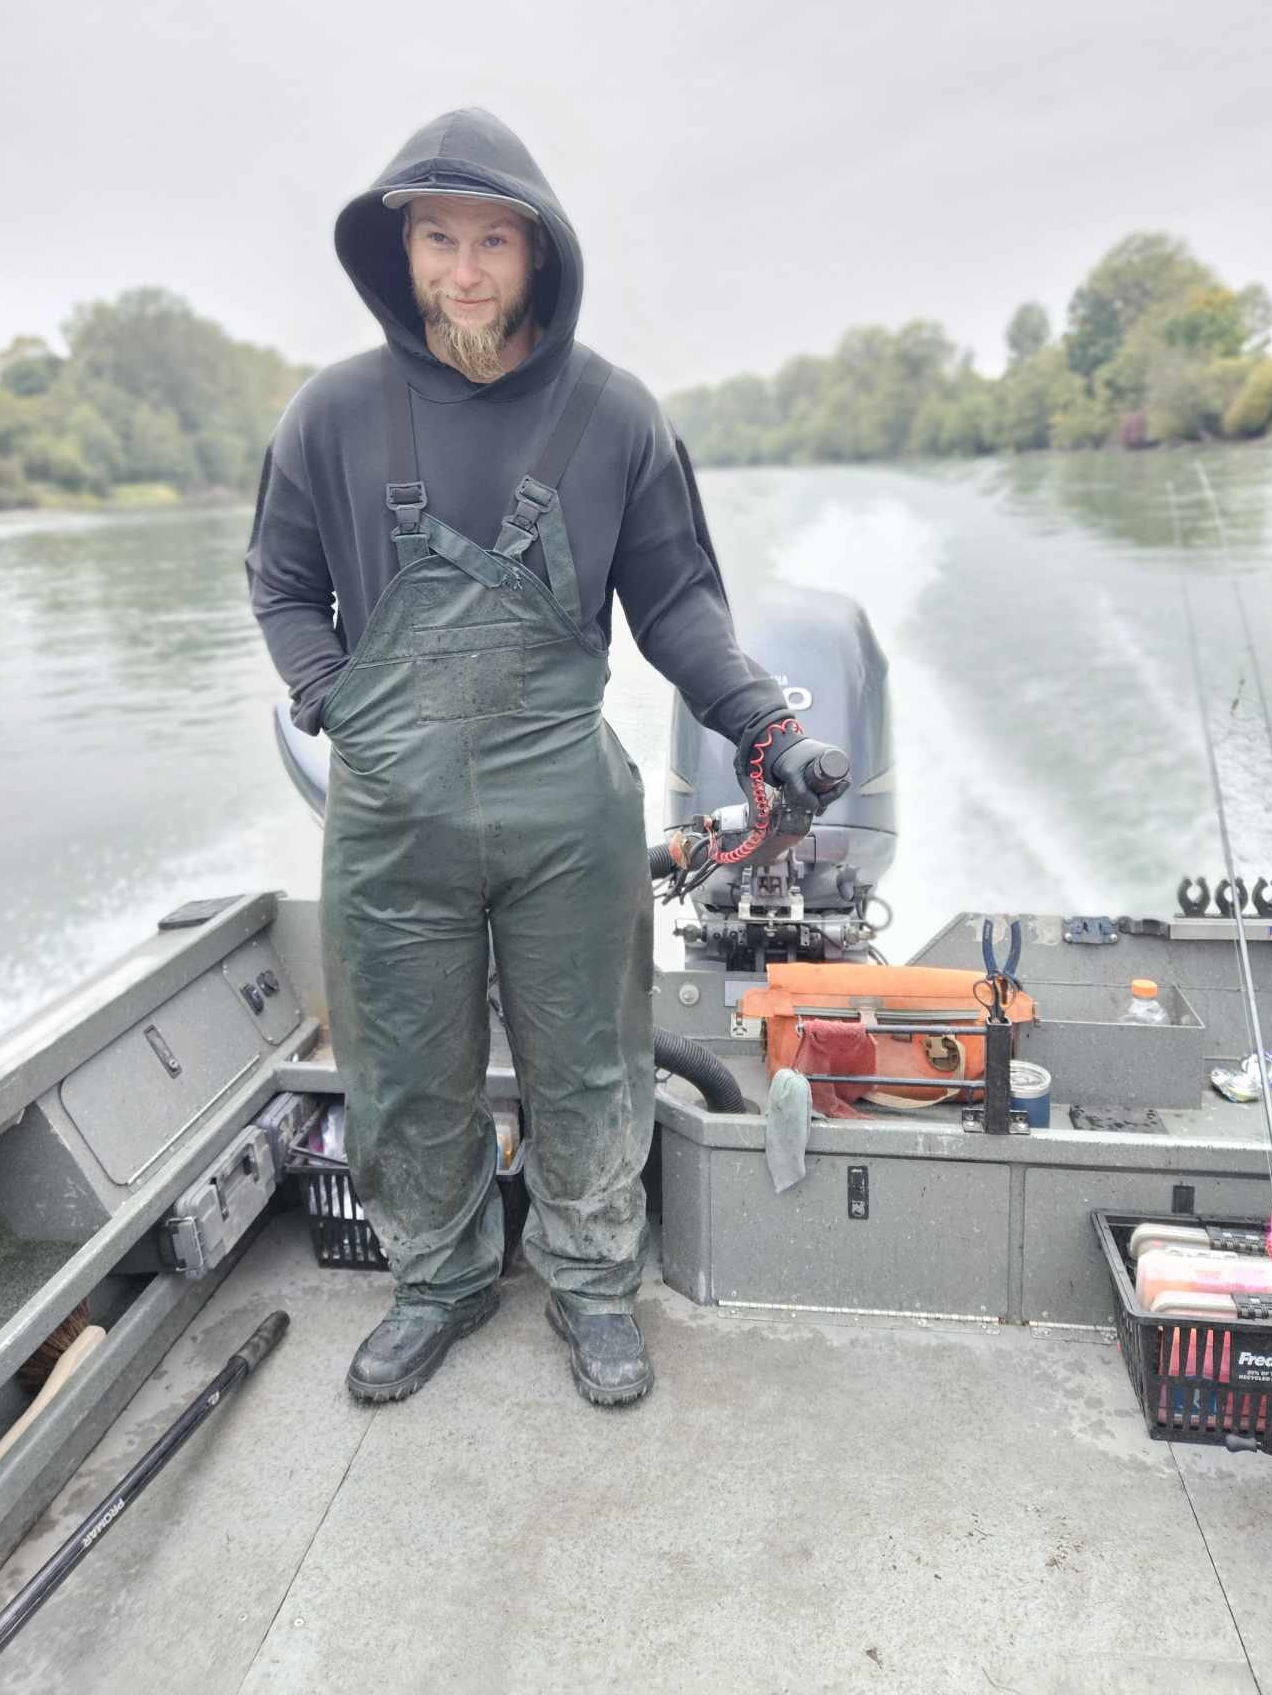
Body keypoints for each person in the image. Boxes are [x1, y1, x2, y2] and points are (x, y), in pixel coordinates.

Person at [246, 107, 847, 1408]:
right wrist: (330, 697)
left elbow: (680, 606)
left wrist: (769, 726)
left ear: (538, 255)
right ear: (400, 252)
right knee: (407, 1073)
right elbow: (282, 582)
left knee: (590, 1065)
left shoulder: (614, 416)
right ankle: (441, 1283)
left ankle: (588, 1287)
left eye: (493, 242)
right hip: (389, 811)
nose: (465, 270)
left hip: (562, 806)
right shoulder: (333, 415)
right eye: (439, 240)